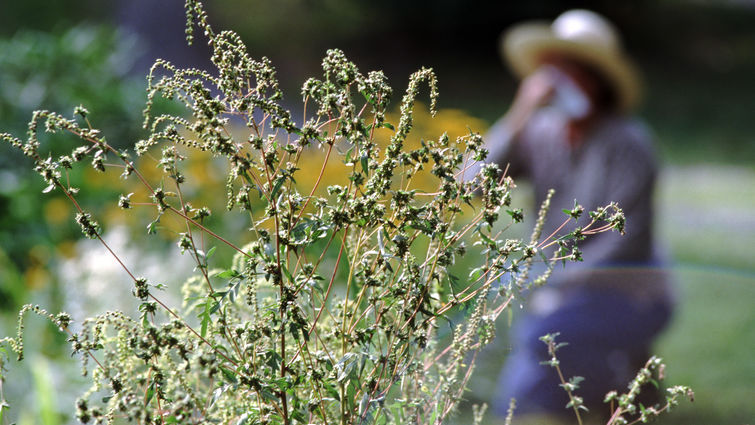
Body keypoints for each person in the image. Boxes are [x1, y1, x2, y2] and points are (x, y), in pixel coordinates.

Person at [475, 9, 675, 422]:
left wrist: (553, 287)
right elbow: (473, 184)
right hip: (563, 286)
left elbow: (626, 242)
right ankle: (626, 388)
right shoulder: (539, 132)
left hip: (631, 291)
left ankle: (515, 414)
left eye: (573, 70)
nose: (560, 81)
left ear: (598, 80)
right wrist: (519, 114)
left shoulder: (629, 144)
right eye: (553, 70)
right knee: (544, 337)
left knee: (544, 336)